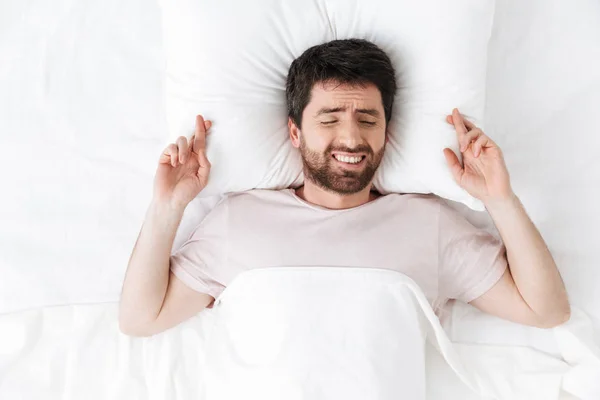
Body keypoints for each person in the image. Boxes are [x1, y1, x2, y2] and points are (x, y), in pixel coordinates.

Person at [118, 39, 570, 337]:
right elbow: (140, 319)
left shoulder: (427, 224)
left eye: (368, 120)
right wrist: (168, 207)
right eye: (330, 119)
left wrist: (499, 201)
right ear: (295, 132)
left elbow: (547, 310)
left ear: (386, 132)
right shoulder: (239, 221)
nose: (352, 139)